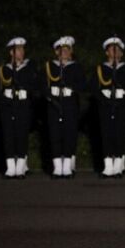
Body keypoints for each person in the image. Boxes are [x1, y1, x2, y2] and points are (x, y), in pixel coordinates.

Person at [93, 36, 125, 178]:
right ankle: (108, 166)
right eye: (112, 49)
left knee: (119, 134)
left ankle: (118, 166)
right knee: (107, 134)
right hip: (106, 105)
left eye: (117, 49)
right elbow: (92, 87)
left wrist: (123, 90)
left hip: (121, 105)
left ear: (121, 53)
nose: (115, 52)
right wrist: (103, 94)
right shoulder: (101, 69)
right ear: (107, 52)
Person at [45, 36, 86, 178]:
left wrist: (72, 89)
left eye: (67, 49)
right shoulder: (50, 67)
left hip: (70, 105)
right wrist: (50, 92)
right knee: (55, 134)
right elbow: (41, 85)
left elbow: (82, 85)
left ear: (71, 51)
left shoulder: (76, 67)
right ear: (56, 52)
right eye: (61, 50)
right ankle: (57, 167)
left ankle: (67, 166)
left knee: (69, 134)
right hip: (54, 104)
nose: (64, 52)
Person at [0, 37, 39, 178]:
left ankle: (20, 168)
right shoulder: (4, 69)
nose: (21, 52)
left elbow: (35, 85)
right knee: (9, 135)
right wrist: (5, 96)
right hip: (8, 106)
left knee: (21, 136)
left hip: (23, 105)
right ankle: (10, 168)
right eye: (18, 49)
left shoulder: (28, 68)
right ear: (11, 52)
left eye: (22, 49)